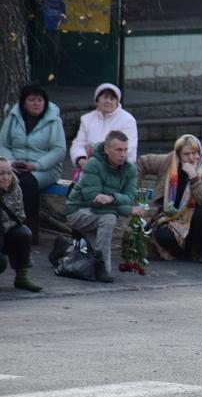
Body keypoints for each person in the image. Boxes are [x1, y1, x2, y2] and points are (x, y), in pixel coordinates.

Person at [136, 134, 202, 264]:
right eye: (187, 154)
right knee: (162, 235)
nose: (192, 158)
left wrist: (194, 177)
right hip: (173, 216)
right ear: (179, 155)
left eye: (195, 153)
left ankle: (200, 252)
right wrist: (132, 193)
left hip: (198, 217)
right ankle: (181, 252)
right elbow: (142, 162)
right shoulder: (170, 161)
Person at [65, 130, 146, 282]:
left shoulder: (129, 169)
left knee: (93, 246)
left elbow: (129, 197)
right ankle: (103, 269)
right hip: (78, 210)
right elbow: (93, 200)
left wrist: (112, 198)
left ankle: (62, 251)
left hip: (100, 212)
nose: (123, 154)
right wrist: (127, 209)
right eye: (118, 150)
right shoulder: (93, 165)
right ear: (107, 149)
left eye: (125, 150)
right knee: (108, 218)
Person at [0, 84, 67, 242]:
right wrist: (11, 163)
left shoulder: (54, 120)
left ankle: (29, 233)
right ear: (24, 103)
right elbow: (3, 144)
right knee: (5, 179)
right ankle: (6, 229)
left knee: (27, 183)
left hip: (45, 168)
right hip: (15, 165)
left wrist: (36, 165)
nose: (36, 103)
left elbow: (59, 150)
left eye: (40, 100)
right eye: (31, 100)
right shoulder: (14, 117)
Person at [69, 83, 138, 181]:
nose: (108, 101)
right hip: (90, 169)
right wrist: (81, 160)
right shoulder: (87, 119)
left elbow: (129, 149)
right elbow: (78, 144)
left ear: (117, 102)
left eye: (112, 98)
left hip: (118, 170)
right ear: (97, 100)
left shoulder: (127, 120)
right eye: (105, 97)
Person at [0, 158, 42, 292]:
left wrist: (4, 226)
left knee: (24, 233)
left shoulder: (16, 188)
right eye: (1, 174)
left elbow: (19, 216)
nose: (6, 177)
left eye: (8, 173)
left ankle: (22, 277)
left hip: (5, 228)